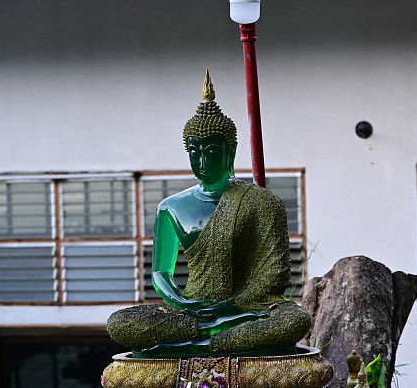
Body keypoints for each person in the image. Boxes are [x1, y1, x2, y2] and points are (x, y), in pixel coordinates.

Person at [107, 72, 310, 355]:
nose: (202, 162)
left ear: (232, 151)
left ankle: (199, 340)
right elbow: (160, 274)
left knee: (295, 320)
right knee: (120, 323)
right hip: (192, 311)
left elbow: (274, 276)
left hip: (245, 309)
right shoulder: (170, 207)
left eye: (212, 152)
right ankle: (212, 335)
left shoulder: (263, 202)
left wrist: (231, 306)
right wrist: (184, 304)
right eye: (194, 152)